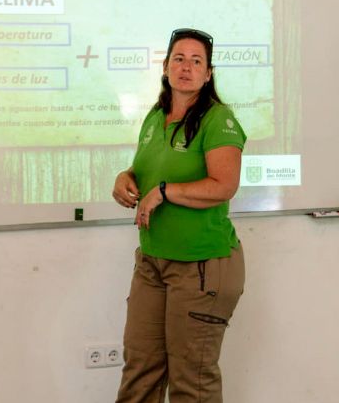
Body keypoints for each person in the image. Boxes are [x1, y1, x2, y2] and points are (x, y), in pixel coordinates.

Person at [112, 28, 247, 403]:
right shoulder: (156, 117)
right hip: (153, 262)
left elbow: (223, 184)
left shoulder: (218, 120)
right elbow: (145, 171)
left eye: (196, 61)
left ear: (208, 74)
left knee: (192, 384)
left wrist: (167, 192)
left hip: (201, 265)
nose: (186, 67)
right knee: (139, 371)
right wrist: (126, 178)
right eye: (179, 58)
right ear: (166, 67)